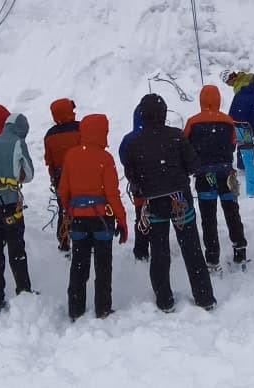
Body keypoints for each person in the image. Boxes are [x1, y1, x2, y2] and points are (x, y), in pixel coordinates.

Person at [121, 93, 217, 312]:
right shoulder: (176, 136)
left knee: (159, 251)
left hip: (154, 201)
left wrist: (145, 185)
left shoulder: (134, 143)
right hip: (179, 198)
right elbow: (194, 165)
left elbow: (131, 176)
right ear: (164, 114)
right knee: (191, 248)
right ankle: (204, 298)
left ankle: (164, 300)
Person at [57, 113, 128, 320]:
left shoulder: (71, 155)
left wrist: (69, 211)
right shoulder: (105, 158)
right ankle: (103, 308)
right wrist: (122, 221)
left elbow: (64, 191)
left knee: (79, 264)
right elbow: (112, 194)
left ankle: (75, 308)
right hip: (102, 220)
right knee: (103, 265)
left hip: (79, 218)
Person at [184, 84, 248, 268]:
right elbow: (233, 143)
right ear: (218, 99)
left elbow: (185, 145)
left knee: (208, 218)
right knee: (232, 213)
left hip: (204, 175)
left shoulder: (192, 122)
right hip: (227, 173)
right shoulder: (228, 121)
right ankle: (240, 251)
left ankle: (212, 258)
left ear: (201, 100)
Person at [0, 111, 36, 309]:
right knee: (16, 249)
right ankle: (23, 291)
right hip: (9, 202)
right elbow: (28, 174)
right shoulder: (18, 143)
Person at [44, 98, 82, 253]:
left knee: (64, 208)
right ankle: (82, 238)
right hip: (81, 174)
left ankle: (64, 240)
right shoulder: (81, 128)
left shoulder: (50, 135)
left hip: (61, 177)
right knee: (83, 207)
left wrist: (54, 177)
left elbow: (49, 160)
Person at [227, 71, 254, 191]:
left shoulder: (241, 91)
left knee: (243, 147)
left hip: (236, 124)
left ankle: (241, 167)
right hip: (245, 125)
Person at [117, 103, 150, 261]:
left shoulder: (129, 139)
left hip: (139, 187)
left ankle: (141, 250)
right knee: (159, 218)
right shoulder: (158, 134)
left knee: (141, 218)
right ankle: (157, 246)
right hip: (159, 186)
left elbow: (124, 158)